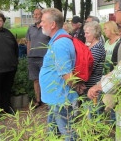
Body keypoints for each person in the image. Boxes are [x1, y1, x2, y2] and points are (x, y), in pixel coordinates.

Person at [39, 8, 82, 141]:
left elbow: (66, 74)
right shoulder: (57, 40)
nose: (40, 24)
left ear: (52, 24)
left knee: (68, 134)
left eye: (42, 21)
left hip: (61, 98)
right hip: (56, 97)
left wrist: (77, 89)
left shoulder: (60, 43)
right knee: (54, 132)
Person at [26, 8, 50, 108]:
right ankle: (38, 99)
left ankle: (48, 100)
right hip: (32, 58)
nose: (36, 16)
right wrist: (28, 55)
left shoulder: (46, 27)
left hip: (44, 57)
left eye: (38, 14)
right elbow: (28, 42)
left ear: (42, 15)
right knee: (36, 80)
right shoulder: (30, 28)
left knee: (46, 78)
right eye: (34, 14)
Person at [83, 21, 106, 90]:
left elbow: (89, 66)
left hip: (93, 85)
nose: (85, 35)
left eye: (87, 33)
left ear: (94, 34)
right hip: (87, 84)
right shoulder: (90, 45)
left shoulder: (97, 47)